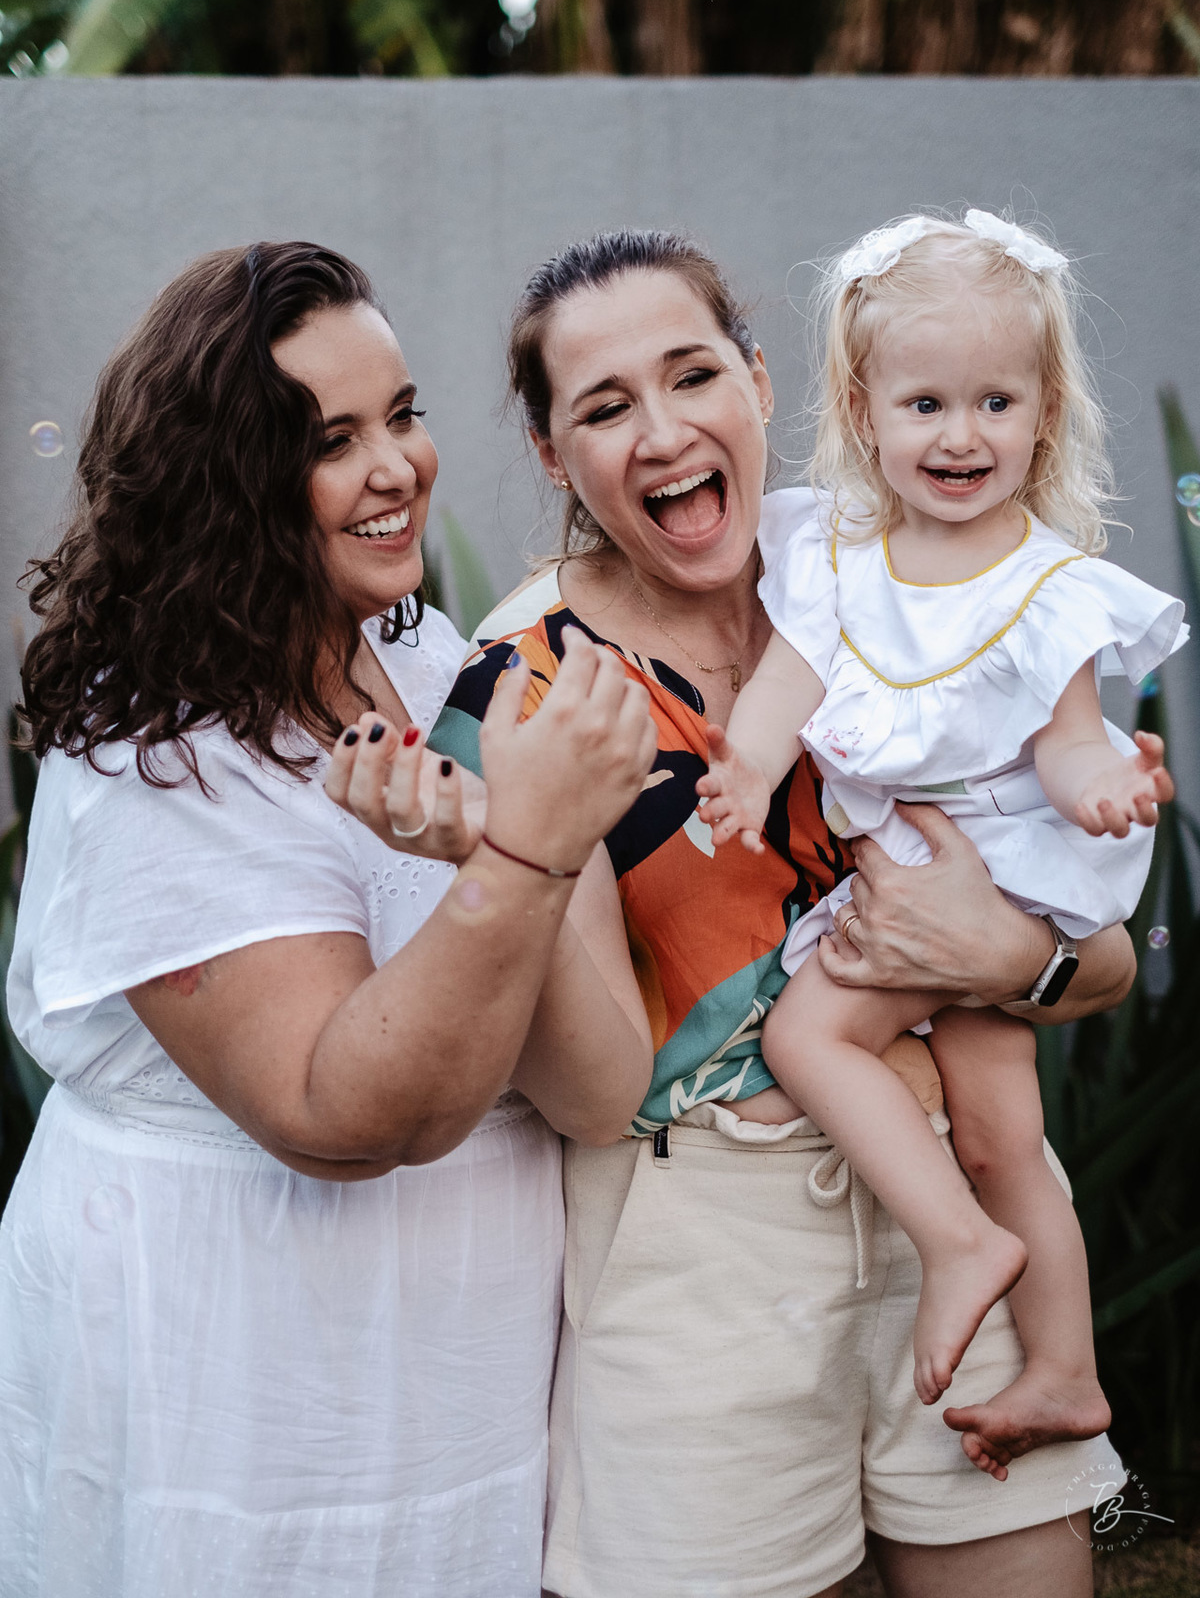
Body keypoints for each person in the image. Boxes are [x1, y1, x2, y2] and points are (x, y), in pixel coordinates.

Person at [334, 228, 1135, 1598]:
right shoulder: (521, 692)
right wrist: (522, 850)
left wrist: (1015, 952)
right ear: (551, 454)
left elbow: (1099, 949)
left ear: (762, 383)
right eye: (602, 406)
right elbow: (591, 1097)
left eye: (692, 374)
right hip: (709, 1262)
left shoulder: (914, 571)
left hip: (970, 1176)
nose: (661, 433)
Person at [0, 241, 656, 1598]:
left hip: (450, 1366)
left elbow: (597, 1093)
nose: (397, 467)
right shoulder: (156, 745)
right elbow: (342, 1120)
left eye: (403, 414)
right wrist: (526, 856)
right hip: (234, 1361)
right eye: (329, 439)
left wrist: (496, 850)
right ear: (224, 483)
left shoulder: (430, 657)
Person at [697, 210, 1184, 1471]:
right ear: (863, 413)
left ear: (1045, 410)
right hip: (921, 880)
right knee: (999, 1135)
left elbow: (1071, 739)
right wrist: (745, 771)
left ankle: (965, 1246)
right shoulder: (837, 557)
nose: (960, 435)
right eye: (924, 404)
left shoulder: (1046, 584)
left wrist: (1103, 792)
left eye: (994, 402)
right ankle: (1066, 1376)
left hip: (996, 873)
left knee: (812, 1037)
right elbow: (785, 692)